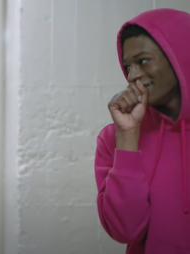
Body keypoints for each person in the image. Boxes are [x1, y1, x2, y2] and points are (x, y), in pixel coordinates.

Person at [95, 8, 190, 254]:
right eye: (128, 66)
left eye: (143, 60)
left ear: (180, 55)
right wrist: (127, 136)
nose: (133, 76)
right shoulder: (112, 138)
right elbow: (125, 231)